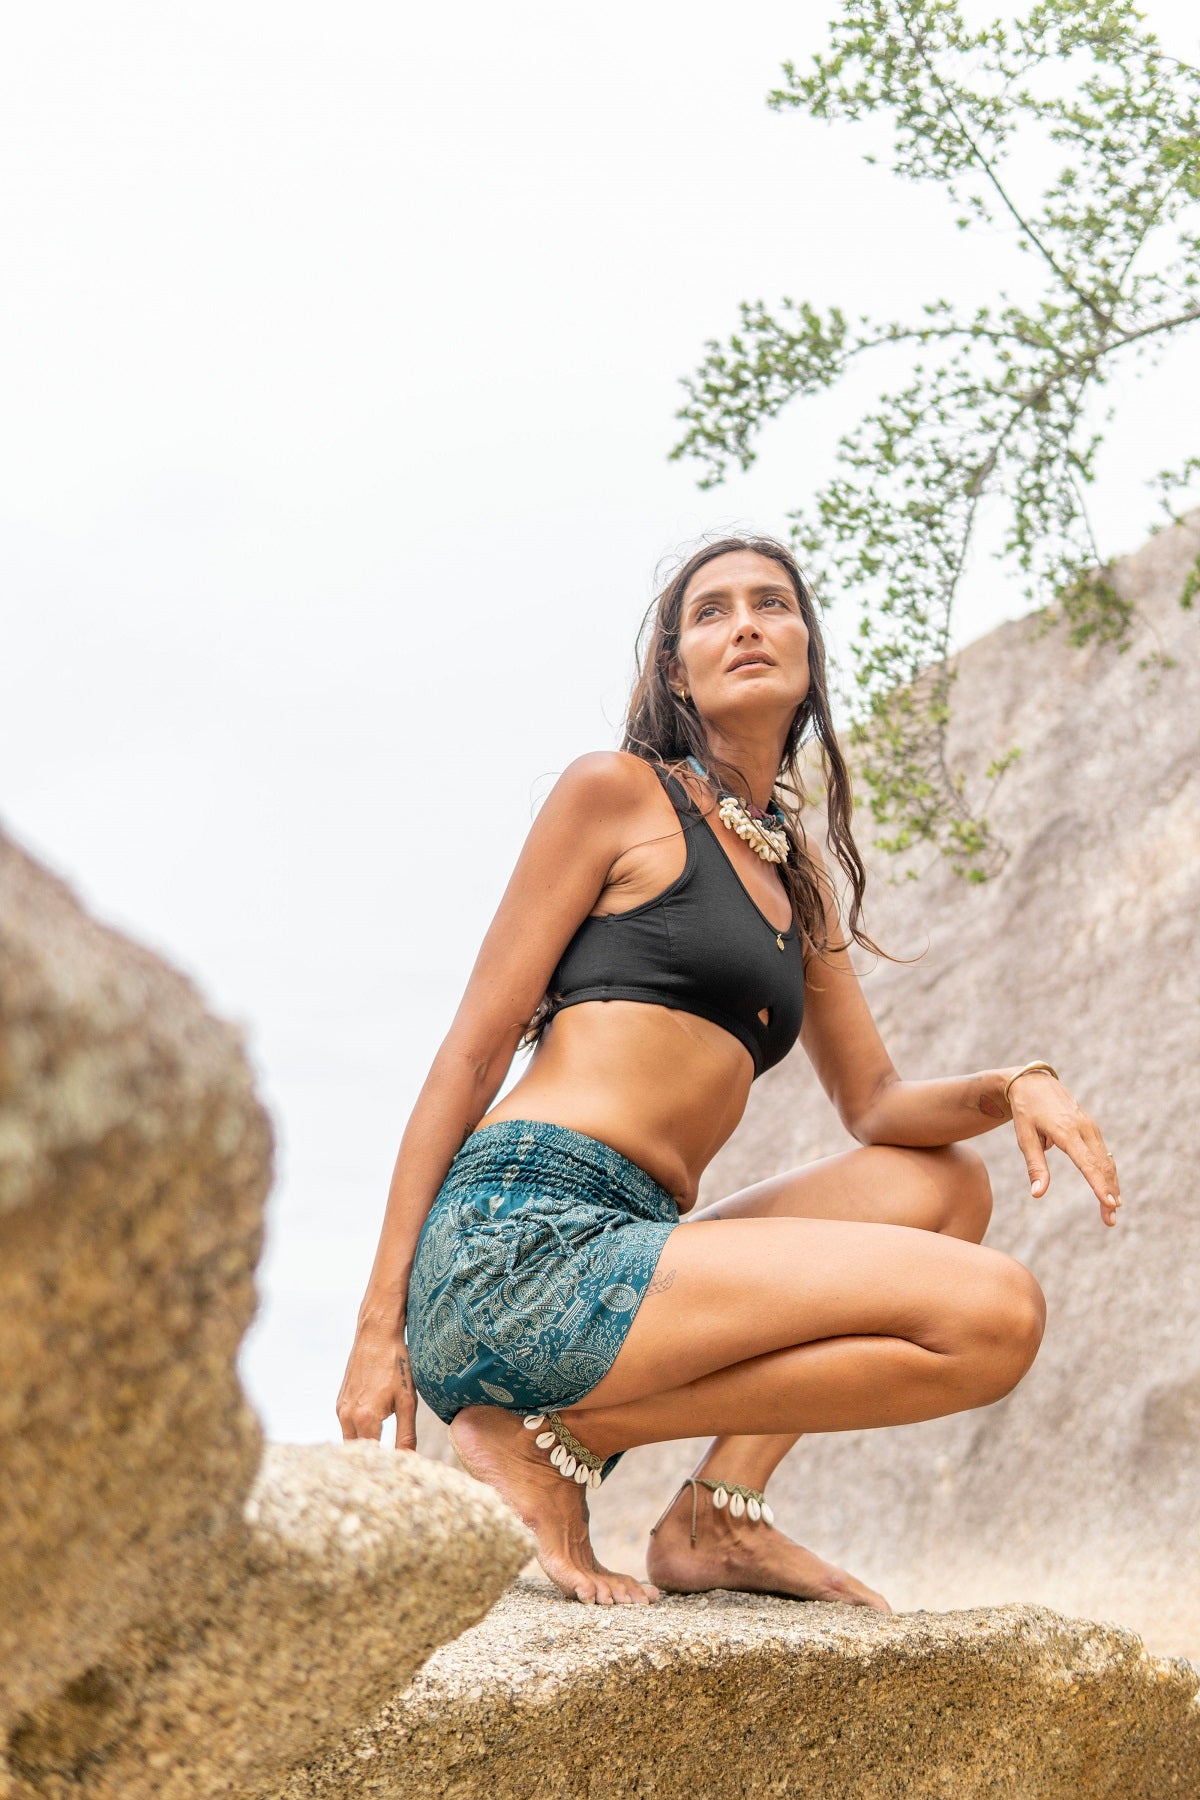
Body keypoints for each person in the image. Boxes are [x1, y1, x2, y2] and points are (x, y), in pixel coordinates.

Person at [337, 535, 1122, 1610]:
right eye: (710, 613)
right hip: (519, 1238)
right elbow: (473, 1051)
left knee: (944, 1186)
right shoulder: (615, 794)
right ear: (675, 671)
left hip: (634, 1246)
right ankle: (556, 1434)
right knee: (996, 1316)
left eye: (771, 604)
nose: (745, 623)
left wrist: (1013, 1085)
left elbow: (878, 1108)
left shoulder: (797, 882)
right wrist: (378, 1326)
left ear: (807, 648)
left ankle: (719, 1512)